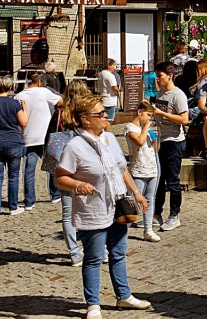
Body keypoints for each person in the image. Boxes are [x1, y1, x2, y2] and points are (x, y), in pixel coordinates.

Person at [54, 95, 152, 318]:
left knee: (118, 253)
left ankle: (124, 296)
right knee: (94, 257)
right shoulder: (75, 146)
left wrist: (136, 193)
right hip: (93, 210)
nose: (105, 116)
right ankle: (93, 305)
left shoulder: (109, 137)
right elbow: (60, 178)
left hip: (118, 206)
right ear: (85, 119)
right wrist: (78, 184)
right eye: (100, 114)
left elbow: (122, 169)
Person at [51, 80, 94, 266]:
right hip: (86, 163)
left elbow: (50, 134)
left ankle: (74, 252)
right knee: (91, 207)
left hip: (65, 164)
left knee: (68, 213)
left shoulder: (60, 112)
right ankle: (97, 248)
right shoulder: (87, 115)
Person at [0, 76, 29, 221]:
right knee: (13, 177)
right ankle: (13, 207)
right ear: (10, 87)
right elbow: (24, 122)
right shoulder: (14, 104)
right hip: (14, 141)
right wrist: (24, 108)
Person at [151, 62, 189, 232]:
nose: (157, 79)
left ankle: (174, 215)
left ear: (170, 75)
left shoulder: (177, 95)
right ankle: (156, 213)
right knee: (159, 179)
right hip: (162, 140)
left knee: (172, 180)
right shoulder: (161, 92)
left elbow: (184, 119)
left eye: (160, 76)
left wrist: (162, 113)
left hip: (174, 141)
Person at [15, 72, 62, 204]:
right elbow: (61, 101)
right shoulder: (43, 92)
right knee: (52, 165)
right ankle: (55, 194)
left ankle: (29, 200)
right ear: (40, 83)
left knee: (29, 169)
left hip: (28, 135)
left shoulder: (18, 96)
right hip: (46, 134)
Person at [125, 100, 161, 242]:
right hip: (138, 169)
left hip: (152, 167)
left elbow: (154, 148)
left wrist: (155, 137)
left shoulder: (145, 129)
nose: (149, 119)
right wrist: (146, 127)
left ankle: (148, 229)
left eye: (151, 116)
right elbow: (139, 142)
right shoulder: (130, 128)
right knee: (134, 201)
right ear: (139, 112)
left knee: (150, 199)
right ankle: (122, 231)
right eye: (147, 115)